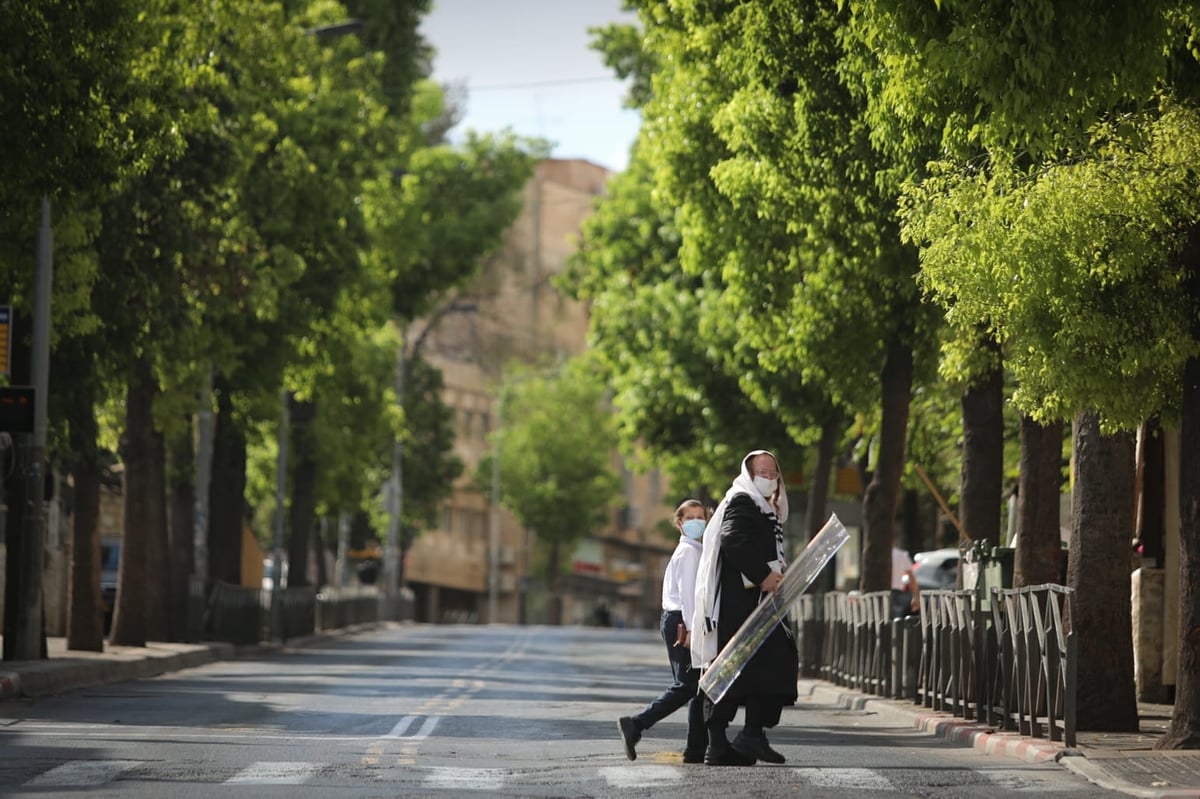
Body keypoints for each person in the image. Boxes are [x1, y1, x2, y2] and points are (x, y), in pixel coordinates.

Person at [691, 450, 796, 766]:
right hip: (743, 606)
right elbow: (733, 539)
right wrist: (763, 575)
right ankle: (740, 737)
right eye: (761, 472)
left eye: (773, 472)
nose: (768, 477)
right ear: (749, 475)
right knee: (741, 668)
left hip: (754, 605)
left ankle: (729, 743)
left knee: (744, 670)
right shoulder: (742, 501)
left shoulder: (762, 507)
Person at [618, 499, 709, 764]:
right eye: (689, 517)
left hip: (678, 620)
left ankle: (695, 749)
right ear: (679, 523)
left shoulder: (693, 549)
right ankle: (636, 724)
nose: (695, 522)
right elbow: (689, 595)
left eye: (700, 517)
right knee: (689, 684)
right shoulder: (689, 552)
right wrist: (692, 630)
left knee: (698, 686)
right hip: (683, 621)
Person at [891, 545, 918, 618]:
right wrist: (915, 597)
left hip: (882, 592)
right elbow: (912, 578)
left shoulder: (877, 555)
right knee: (897, 619)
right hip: (897, 592)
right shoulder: (901, 555)